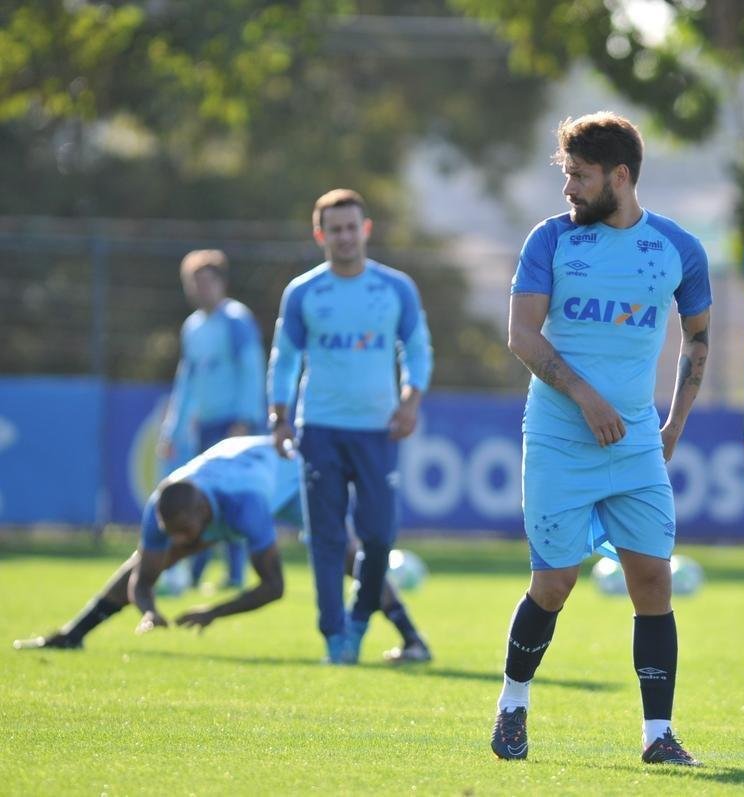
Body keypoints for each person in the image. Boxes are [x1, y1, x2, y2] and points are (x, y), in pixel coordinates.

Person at [490, 112, 711, 766]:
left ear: (620, 176)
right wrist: (586, 396)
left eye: (579, 177)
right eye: (566, 175)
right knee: (554, 582)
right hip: (560, 437)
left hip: (635, 443)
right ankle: (512, 704)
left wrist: (674, 423)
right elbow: (522, 335)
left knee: (652, 579)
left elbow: (698, 338)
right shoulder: (551, 241)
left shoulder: (678, 248)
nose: (569, 190)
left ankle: (658, 734)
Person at [14, 436, 428, 657]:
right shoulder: (166, 504)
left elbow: (274, 587)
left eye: (184, 530)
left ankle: (412, 639)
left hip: (289, 476)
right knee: (151, 558)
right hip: (236, 465)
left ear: (200, 513)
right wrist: (149, 610)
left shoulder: (246, 506)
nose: (176, 539)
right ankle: (73, 634)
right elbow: (142, 577)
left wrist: (214, 612)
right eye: (170, 531)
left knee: (345, 553)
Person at [267, 188, 433, 665]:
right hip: (319, 427)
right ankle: (334, 636)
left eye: (351, 227)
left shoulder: (394, 287)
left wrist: (411, 400)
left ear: (365, 229)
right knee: (325, 538)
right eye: (333, 229)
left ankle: (360, 617)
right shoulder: (303, 292)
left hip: (377, 430)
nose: (344, 237)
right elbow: (284, 360)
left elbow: (418, 348)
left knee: (379, 535)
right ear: (321, 235)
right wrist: (279, 418)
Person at [157, 249, 266, 590]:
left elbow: (252, 369)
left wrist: (246, 420)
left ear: (222, 283)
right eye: (195, 282)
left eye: (207, 281)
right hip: (206, 425)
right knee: (201, 502)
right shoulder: (193, 327)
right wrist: (173, 428)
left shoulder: (236, 321)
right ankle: (195, 573)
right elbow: (187, 381)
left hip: (234, 425)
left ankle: (235, 573)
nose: (201, 289)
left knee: (230, 500)